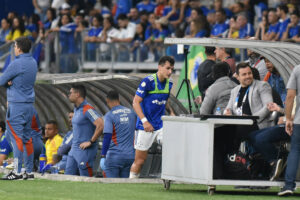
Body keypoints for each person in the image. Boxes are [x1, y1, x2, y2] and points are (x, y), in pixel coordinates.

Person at [129, 56, 175, 178]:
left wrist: (171, 112)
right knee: (139, 161)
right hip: (145, 126)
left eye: (172, 69)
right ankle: (131, 183)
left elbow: (166, 100)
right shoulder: (147, 82)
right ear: (159, 67)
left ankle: (170, 178)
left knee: (173, 149)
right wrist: (144, 121)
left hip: (161, 125)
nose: (170, 72)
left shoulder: (169, 83)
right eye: (168, 68)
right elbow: (135, 102)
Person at [0, 36, 37, 180]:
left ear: (19, 48)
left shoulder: (16, 63)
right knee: (27, 138)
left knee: (16, 138)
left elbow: (2, 80)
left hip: (17, 105)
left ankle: (17, 171)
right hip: (29, 106)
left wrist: (9, 83)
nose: (14, 49)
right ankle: (29, 172)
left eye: (14, 46)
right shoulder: (33, 62)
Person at [224, 62, 273, 140]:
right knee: (221, 129)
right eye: (244, 74)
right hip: (239, 124)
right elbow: (228, 108)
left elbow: (268, 106)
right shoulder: (234, 90)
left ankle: (235, 151)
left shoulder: (262, 86)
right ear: (237, 77)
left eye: (249, 73)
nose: (248, 76)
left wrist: (251, 118)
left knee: (237, 130)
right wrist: (227, 112)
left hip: (256, 123)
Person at [65, 85, 104, 177]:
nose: (68, 95)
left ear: (77, 94)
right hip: (74, 150)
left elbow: (101, 124)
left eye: (70, 93)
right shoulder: (76, 109)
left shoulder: (88, 109)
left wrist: (91, 141)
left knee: (86, 180)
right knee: (67, 178)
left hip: (85, 151)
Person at [100, 90, 136, 178]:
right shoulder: (132, 113)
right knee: (125, 187)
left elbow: (107, 136)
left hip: (114, 156)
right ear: (118, 99)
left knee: (112, 186)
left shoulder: (109, 115)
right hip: (130, 156)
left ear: (107, 101)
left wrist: (103, 155)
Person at [278, 65, 300, 196]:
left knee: (295, 150)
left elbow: (290, 96)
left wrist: (288, 118)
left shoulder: (297, 69)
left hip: (299, 120)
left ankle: (289, 185)